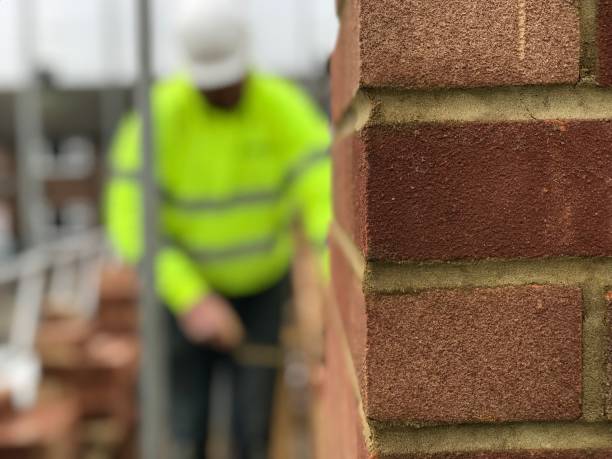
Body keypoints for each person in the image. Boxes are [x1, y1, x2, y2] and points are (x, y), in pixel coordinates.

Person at [104, 0, 331, 457]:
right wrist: (191, 297)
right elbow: (130, 222)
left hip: (262, 290)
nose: (222, 92)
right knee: (188, 425)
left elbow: (324, 201)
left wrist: (334, 299)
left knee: (254, 427)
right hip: (186, 295)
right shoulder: (159, 118)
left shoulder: (282, 108)